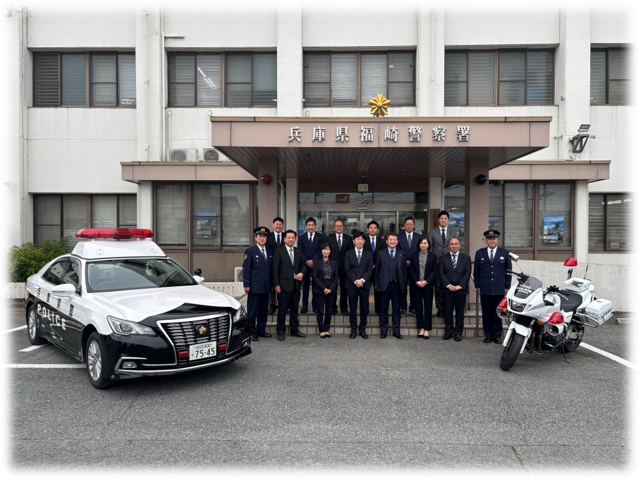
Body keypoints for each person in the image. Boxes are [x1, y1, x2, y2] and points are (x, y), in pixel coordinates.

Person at [473, 230, 512, 344]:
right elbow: (476, 271)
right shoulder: (479, 253)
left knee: (497, 313)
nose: (492, 241)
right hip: (484, 287)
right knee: (486, 313)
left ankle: (497, 335)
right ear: (486, 240)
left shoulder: (504, 253)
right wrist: (477, 285)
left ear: (497, 240)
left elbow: (508, 271)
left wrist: (507, 286)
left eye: (494, 239)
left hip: (499, 287)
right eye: (489, 239)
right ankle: (488, 335)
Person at [272, 230, 307, 341]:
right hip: (283, 286)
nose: (291, 239)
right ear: (284, 239)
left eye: (293, 238)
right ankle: (280, 331)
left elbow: (304, 264)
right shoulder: (278, 251)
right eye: (289, 237)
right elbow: (275, 269)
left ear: (295, 239)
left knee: (294, 309)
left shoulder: (298, 251)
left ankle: (294, 330)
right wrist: (276, 284)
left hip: (296, 286)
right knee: (282, 310)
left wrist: (302, 273)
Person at [242, 227, 273, 341]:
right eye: (260, 236)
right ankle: (252, 332)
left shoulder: (270, 251)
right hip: (254, 286)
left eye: (264, 236)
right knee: (252, 311)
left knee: (263, 310)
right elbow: (246, 268)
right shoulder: (250, 250)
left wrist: (271, 284)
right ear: (256, 238)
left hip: (266, 286)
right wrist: (246, 284)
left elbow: (270, 269)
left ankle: (261, 330)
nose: (262, 238)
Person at [375, 233, 408, 339]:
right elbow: (377, 270)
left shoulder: (402, 253)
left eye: (394, 240)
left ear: (397, 242)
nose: (392, 241)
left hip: (397, 285)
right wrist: (376, 283)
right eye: (390, 239)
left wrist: (404, 284)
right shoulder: (381, 253)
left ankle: (396, 330)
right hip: (384, 284)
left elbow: (404, 271)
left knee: (396, 309)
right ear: (386, 241)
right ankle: (383, 330)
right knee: (383, 309)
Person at [438, 237, 471, 341]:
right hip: (447, 290)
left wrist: (459, 286)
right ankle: (448, 332)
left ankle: (458, 333)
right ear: (448, 246)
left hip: (461, 290)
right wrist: (449, 285)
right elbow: (441, 273)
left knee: (459, 312)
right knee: (447, 311)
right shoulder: (443, 258)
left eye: (456, 244)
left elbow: (467, 273)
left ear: (459, 245)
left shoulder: (466, 258)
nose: (454, 246)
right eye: (451, 244)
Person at [427, 210, 459, 318]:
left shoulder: (453, 231)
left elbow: (455, 247)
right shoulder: (432, 232)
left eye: (445, 218)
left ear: (448, 220)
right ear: (438, 220)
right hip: (436, 262)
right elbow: (430, 248)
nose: (443, 220)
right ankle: (440, 308)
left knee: (448, 285)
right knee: (438, 286)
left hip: (449, 262)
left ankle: (447, 308)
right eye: (441, 218)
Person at [344, 231, 374, 339]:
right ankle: (353, 329)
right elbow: (347, 269)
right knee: (352, 308)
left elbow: (370, 269)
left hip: (364, 285)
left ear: (364, 241)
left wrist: (362, 280)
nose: (360, 241)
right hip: (352, 285)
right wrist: (355, 281)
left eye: (362, 239)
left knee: (364, 308)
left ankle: (362, 329)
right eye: (357, 239)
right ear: (354, 241)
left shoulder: (369, 254)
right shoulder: (348, 253)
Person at [409, 237, 438, 339]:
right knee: (418, 307)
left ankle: (427, 329)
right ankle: (421, 328)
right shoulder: (413, 255)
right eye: (421, 243)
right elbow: (411, 270)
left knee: (428, 307)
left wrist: (426, 281)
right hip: (416, 285)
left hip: (428, 285)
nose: (423, 245)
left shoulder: (433, 256)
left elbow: (435, 270)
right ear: (418, 244)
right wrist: (416, 281)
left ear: (428, 245)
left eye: (425, 243)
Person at [325, 219, 353, 315]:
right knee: (333, 288)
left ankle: (344, 308)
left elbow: (351, 253)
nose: (339, 227)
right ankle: (333, 307)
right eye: (337, 226)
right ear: (334, 227)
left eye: (340, 226)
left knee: (344, 288)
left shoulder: (348, 238)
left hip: (345, 268)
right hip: (332, 267)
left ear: (343, 227)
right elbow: (326, 252)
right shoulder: (329, 238)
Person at [298, 217, 324, 314]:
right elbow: (300, 251)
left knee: (316, 285)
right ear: (305, 226)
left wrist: (313, 260)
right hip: (305, 265)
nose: (310, 227)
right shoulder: (302, 237)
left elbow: (321, 250)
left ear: (315, 226)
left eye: (312, 225)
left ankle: (315, 305)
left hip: (316, 264)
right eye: (308, 225)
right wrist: (306, 261)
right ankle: (304, 305)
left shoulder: (320, 237)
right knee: (305, 285)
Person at [312, 243, 338, 338]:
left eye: (328, 249)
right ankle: (321, 329)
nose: (326, 251)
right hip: (320, 289)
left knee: (329, 309)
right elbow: (315, 277)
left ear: (330, 251)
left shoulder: (333, 262)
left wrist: (330, 289)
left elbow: (336, 277)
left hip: (331, 289)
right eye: (324, 249)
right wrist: (323, 288)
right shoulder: (316, 262)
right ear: (321, 251)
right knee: (320, 310)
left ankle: (326, 329)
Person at [397, 217, 421, 315]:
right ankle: (402, 307)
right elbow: (396, 250)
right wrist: (404, 260)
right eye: (407, 224)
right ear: (404, 226)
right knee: (402, 286)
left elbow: (421, 250)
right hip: (402, 266)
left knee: (414, 287)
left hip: (415, 266)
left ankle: (413, 307)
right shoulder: (399, 237)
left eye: (411, 224)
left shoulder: (419, 237)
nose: (409, 226)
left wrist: (413, 261)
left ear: (414, 225)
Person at [364, 220, 386, 314]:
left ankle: (378, 309)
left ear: (377, 230)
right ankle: (365, 308)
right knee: (365, 289)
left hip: (378, 269)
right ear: (367, 229)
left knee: (378, 289)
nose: (373, 229)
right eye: (371, 228)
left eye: (375, 228)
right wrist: (369, 265)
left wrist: (377, 264)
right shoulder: (363, 240)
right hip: (366, 269)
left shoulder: (382, 242)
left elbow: (384, 255)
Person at [266, 217, 286, 315]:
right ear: (273, 225)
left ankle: (283, 306)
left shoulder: (286, 236)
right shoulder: (268, 236)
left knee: (282, 285)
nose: (278, 226)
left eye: (280, 224)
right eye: (277, 224)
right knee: (272, 285)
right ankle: (272, 305)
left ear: (283, 226)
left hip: (283, 264)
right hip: (271, 263)